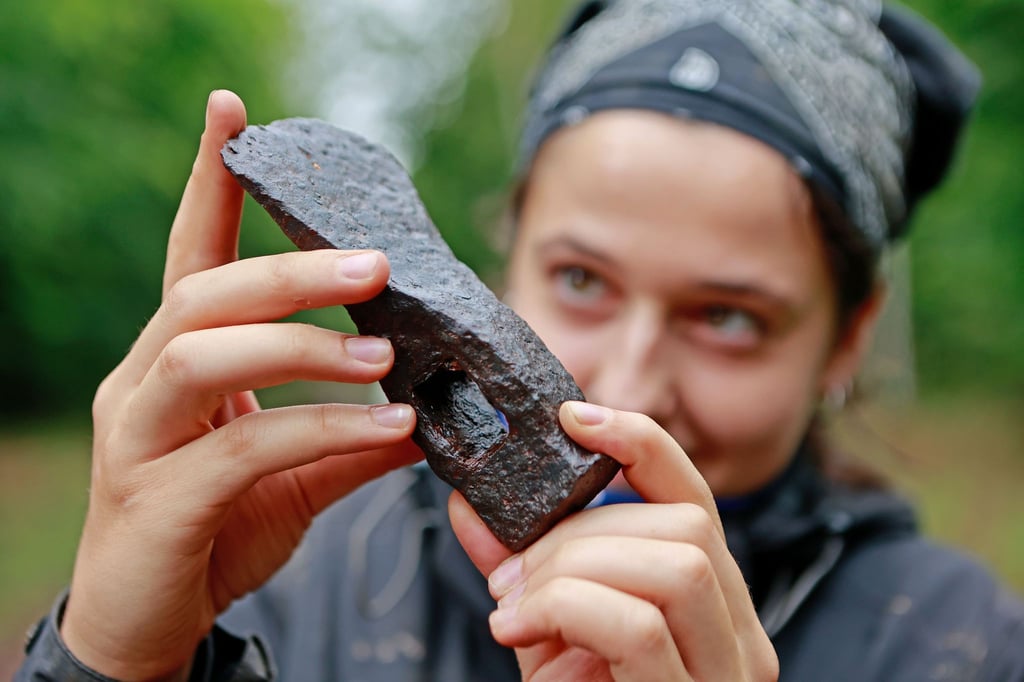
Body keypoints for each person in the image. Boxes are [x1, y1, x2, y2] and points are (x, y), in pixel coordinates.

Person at [16, 0, 1024, 680]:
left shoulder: (959, 645)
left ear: (848, 339)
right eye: (580, 280)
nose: (623, 389)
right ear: (499, 257)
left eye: (728, 318)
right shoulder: (299, 586)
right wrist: (113, 657)